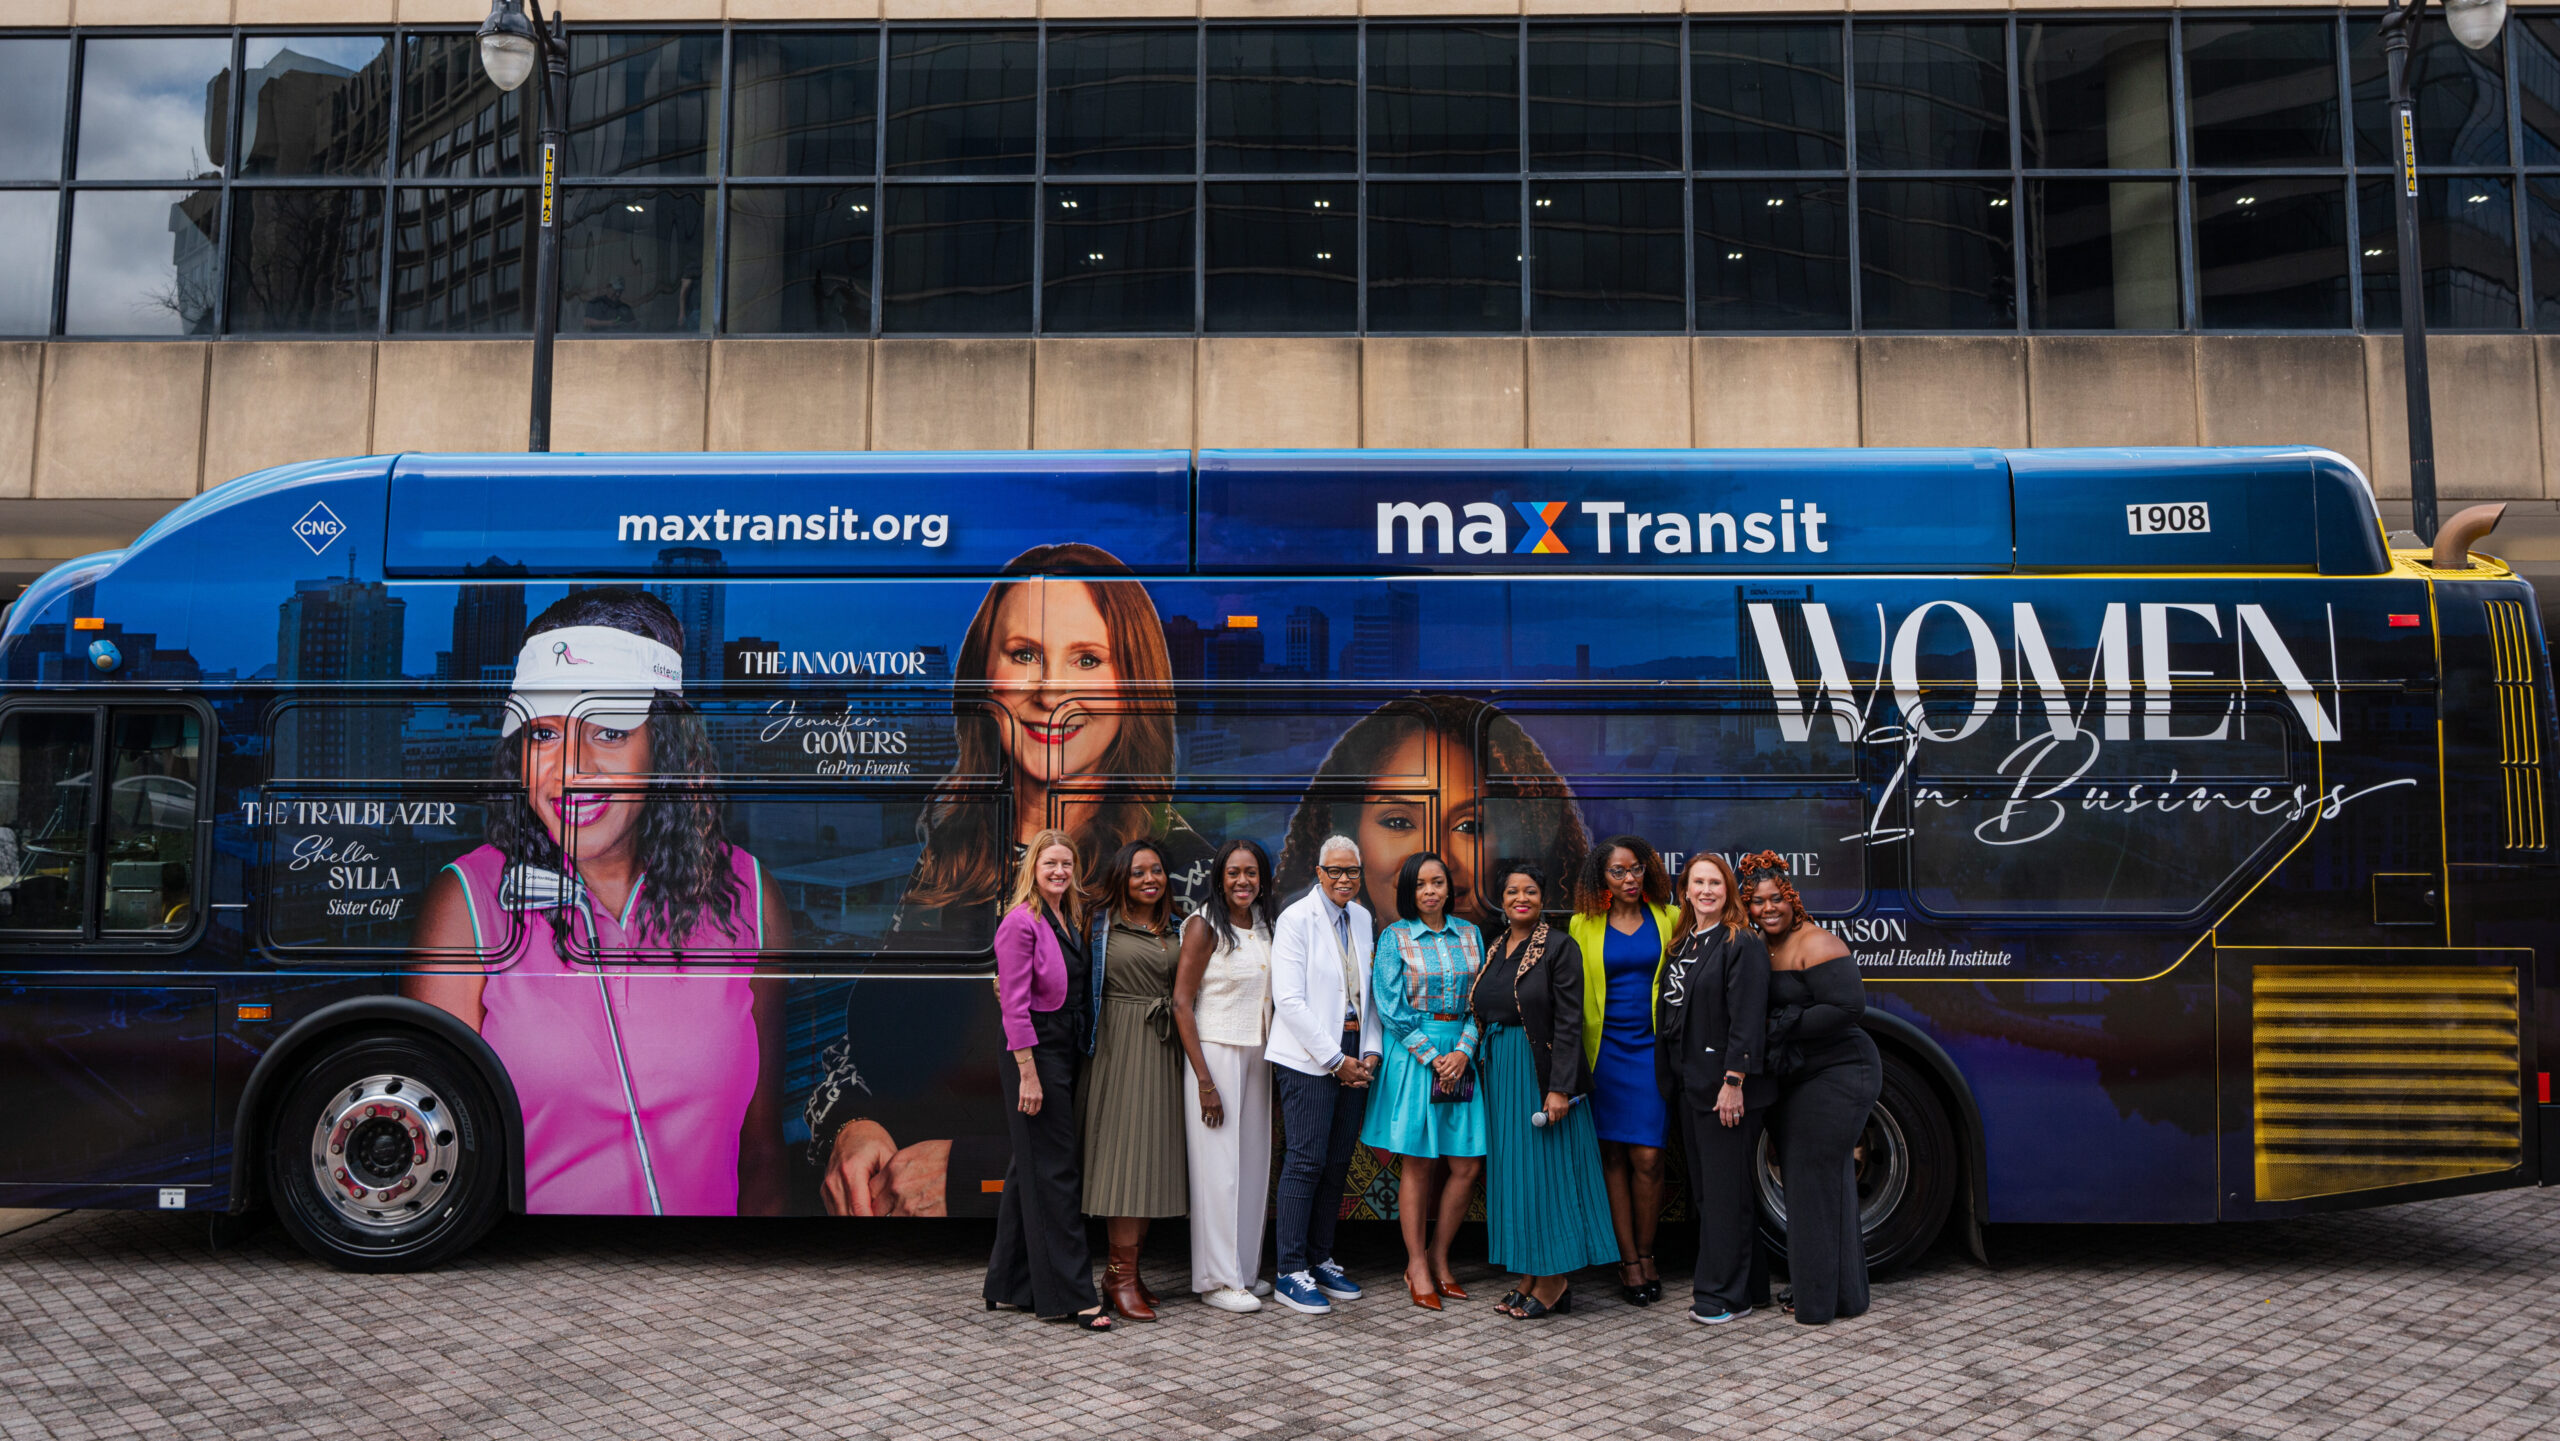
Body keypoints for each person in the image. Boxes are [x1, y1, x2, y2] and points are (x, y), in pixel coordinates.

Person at [807, 542, 1211, 1219]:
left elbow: (1178, 1099)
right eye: (1024, 654)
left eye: (1087, 659)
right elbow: (868, 1042)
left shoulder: (1179, 873)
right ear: (983, 675)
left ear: (1132, 683)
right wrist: (853, 1124)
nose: (1050, 690)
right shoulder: (951, 842)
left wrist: (975, 1172)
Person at [407, 589, 789, 1218]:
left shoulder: (750, 897)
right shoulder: (468, 903)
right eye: (546, 734)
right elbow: (438, 1151)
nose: (571, 771)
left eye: (610, 731)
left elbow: (762, 1152)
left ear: (665, 748)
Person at [1277, 694, 1588, 935]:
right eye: (1398, 822)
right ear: (1350, 835)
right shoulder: (1326, 938)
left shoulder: (1509, 954)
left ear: (1513, 845)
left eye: (1469, 826)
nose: (1434, 860)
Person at [1469, 861, 1616, 1321]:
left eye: (1530, 891)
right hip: (1501, 1073)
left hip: (1538, 1075)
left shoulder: (1559, 946)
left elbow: (1571, 1023)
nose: (1521, 899)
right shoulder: (1496, 947)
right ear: (1501, 900)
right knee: (1516, 1178)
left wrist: (1560, 1089)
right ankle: (1531, 1272)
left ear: (1542, 897)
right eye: (1512, 891)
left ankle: (1555, 1278)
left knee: (1546, 1176)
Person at [1743, 850, 1882, 1326]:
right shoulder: (1758, 945)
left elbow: (1848, 1007)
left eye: (1776, 899)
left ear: (1792, 898)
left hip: (1840, 1072)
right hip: (1795, 1077)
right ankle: (1843, 1295)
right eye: (1758, 902)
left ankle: (1815, 1301)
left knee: (1808, 1181)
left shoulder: (1817, 941)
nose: (1768, 909)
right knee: (1826, 1181)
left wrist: (1779, 1025)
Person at [982, 831, 1112, 1331]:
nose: (1059, 871)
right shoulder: (1020, 923)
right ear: (1032, 868)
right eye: (1050, 863)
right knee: (1057, 1173)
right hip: (1032, 1052)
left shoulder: (1066, 916)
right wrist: (1028, 1076)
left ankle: (1008, 1285)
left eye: (1066, 863)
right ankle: (1071, 1295)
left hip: (1062, 1046)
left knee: (1029, 1167)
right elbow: (1013, 1006)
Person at [1359, 852, 1487, 1311]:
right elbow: (1389, 1007)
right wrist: (1436, 1058)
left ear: (1448, 888)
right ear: (1409, 892)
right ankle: (1415, 1263)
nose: (1430, 891)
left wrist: (1463, 1051)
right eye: (1420, 884)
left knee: (1467, 1163)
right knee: (1419, 1163)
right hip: (1416, 1055)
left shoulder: (1471, 934)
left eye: (1437, 882)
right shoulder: (1395, 937)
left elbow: (1482, 1000)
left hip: (1462, 1052)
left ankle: (1440, 1255)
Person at [1265, 833, 1384, 1317]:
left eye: (1351, 871)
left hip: (1355, 1049)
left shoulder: (1361, 917)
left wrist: (1370, 1052)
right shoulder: (1296, 919)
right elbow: (1288, 1000)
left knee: (1337, 1163)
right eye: (1334, 871)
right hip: (1309, 1057)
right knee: (1306, 1161)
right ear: (1318, 874)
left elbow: (1369, 994)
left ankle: (1320, 1257)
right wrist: (1336, 1060)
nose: (1343, 879)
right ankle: (1289, 1270)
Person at [1657, 852, 1776, 1326]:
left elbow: (1748, 1018)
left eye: (1716, 883)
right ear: (1684, 890)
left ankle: (1723, 1295)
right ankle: (1752, 1287)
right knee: (1711, 1192)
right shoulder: (1683, 941)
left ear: (1728, 892)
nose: (1706, 891)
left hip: (1723, 1088)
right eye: (1698, 882)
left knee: (1725, 1195)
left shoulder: (1740, 941)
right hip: (1690, 1085)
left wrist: (1734, 1082)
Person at [1078, 840, 1189, 1321]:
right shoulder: (1099, 925)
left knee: (1149, 1163)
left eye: (1158, 871)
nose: (1150, 879)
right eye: (1139, 871)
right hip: (1117, 1050)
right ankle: (1118, 1277)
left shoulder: (1179, 926)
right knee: (1123, 1163)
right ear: (1122, 877)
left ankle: (1129, 1271)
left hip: (1164, 1051)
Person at [1567, 834, 1678, 1305]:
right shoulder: (1582, 925)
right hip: (1604, 1054)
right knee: (1612, 1157)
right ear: (1602, 877)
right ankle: (1629, 1260)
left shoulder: (1671, 918)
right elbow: (1570, 997)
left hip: (1654, 1053)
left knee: (1649, 1158)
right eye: (1618, 871)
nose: (1629, 879)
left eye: (1636, 869)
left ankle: (1649, 1252)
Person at [1170, 838, 1279, 1314]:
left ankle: (1242, 1272)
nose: (1243, 881)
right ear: (1219, 876)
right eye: (1234, 872)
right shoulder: (1203, 925)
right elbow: (1181, 1004)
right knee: (1219, 1172)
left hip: (1259, 1055)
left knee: (1253, 1167)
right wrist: (1205, 1082)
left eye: (1251, 872)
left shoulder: (1263, 925)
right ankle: (1215, 1279)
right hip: (1214, 1055)